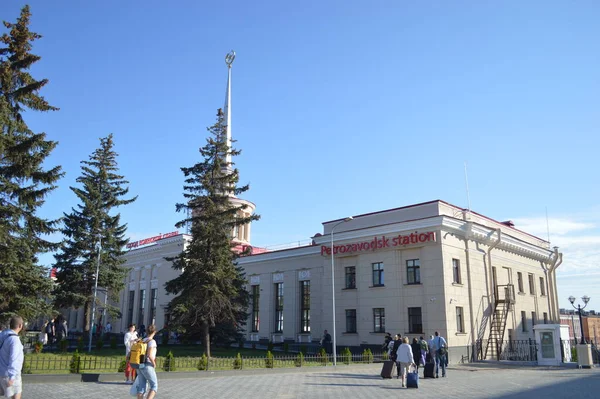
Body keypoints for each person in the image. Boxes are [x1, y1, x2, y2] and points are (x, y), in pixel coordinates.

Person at [0, 315, 25, 399]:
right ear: (20, 325)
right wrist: (12, 376)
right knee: (16, 395)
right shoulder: (15, 340)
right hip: (10, 374)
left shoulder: (3, 335)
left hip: (1, 372)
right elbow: (14, 359)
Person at [136, 324, 158, 399]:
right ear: (154, 332)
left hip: (140, 364)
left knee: (142, 387)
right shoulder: (152, 341)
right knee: (154, 386)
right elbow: (149, 355)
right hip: (148, 365)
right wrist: (154, 363)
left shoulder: (143, 340)